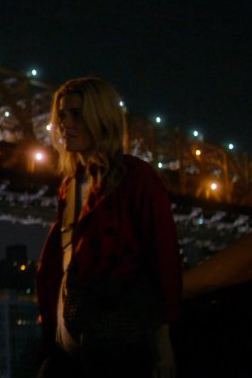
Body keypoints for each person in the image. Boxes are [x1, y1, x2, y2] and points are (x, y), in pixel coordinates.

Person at [36, 77, 182, 377]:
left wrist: (163, 341)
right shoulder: (69, 187)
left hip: (117, 345)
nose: (65, 124)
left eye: (77, 114)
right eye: (62, 114)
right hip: (70, 343)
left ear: (101, 119)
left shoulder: (136, 178)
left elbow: (163, 259)